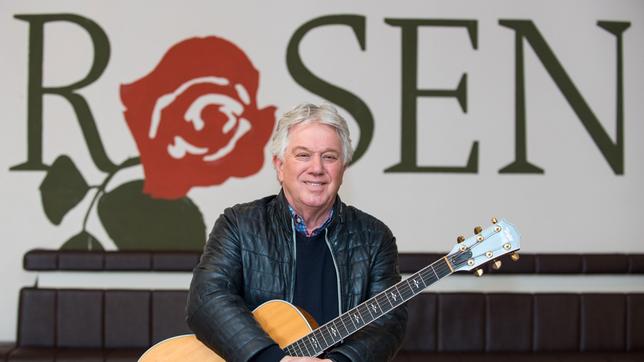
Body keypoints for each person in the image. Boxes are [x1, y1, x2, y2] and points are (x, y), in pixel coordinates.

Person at [186, 103, 407, 362]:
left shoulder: (374, 237)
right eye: (303, 155)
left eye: (329, 156)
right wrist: (273, 359)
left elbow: (388, 322)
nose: (317, 168)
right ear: (279, 166)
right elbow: (207, 299)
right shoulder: (238, 224)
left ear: (343, 169)